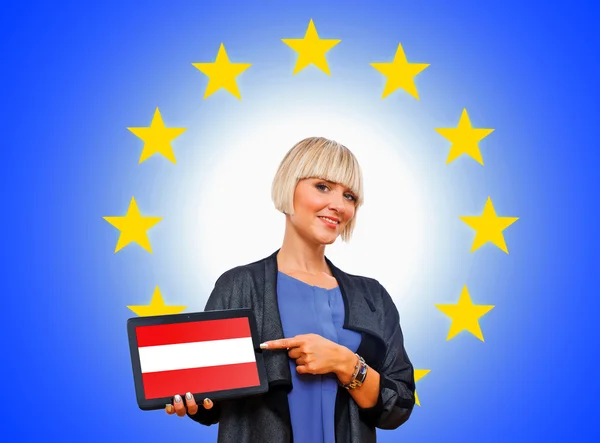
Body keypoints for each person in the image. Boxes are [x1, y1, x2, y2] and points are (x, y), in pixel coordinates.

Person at [165, 136, 416, 442]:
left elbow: (398, 406)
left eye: (349, 196)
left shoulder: (372, 297)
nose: (338, 205)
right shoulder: (238, 286)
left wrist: (344, 363)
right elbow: (212, 403)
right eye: (323, 186)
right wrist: (191, 401)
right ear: (289, 186)